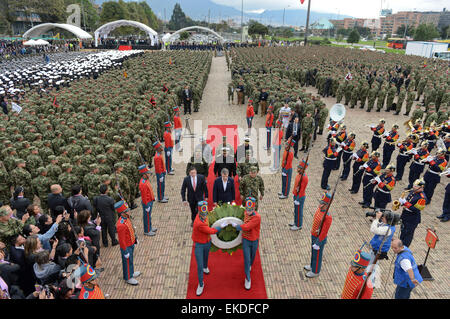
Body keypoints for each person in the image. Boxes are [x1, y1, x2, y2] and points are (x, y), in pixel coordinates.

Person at [191, 201, 225, 296]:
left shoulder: (204, 216)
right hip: (199, 245)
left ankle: (205, 267)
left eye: (206, 214)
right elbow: (211, 230)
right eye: (204, 214)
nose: (205, 216)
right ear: (199, 213)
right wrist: (220, 227)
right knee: (199, 265)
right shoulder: (199, 223)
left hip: (207, 242)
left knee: (206, 258)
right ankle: (201, 284)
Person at [231, 197, 261, 290]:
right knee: (247, 259)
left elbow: (247, 227)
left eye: (250, 210)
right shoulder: (245, 213)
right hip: (246, 240)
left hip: (254, 240)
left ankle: (249, 267)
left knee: (252, 258)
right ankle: (248, 278)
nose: (248, 211)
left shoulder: (257, 217)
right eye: (247, 209)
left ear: (254, 209)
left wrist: (237, 226)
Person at [304, 192, 333, 278]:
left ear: (327, 205)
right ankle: (312, 266)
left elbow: (324, 231)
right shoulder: (320, 209)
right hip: (314, 234)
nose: (320, 205)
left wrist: (318, 242)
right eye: (321, 203)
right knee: (313, 253)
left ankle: (316, 270)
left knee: (317, 255)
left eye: (323, 204)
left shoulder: (327, 217)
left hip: (319, 238)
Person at [115, 200, 140, 286]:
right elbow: (121, 240)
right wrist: (125, 251)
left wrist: (134, 239)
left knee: (131, 260)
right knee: (127, 261)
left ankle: (131, 273)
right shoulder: (121, 225)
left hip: (131, 243)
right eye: (126, 211)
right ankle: (128, 277)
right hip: (126, 246)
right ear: (122, 213)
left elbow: (131, 229)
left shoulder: (127, 218)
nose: (128, 211)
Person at [398, 179, 426, 247]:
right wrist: (402, 202)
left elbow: (416, 209)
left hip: (412, 218)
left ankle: (404, 247)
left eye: (416, 186)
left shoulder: (422, 198)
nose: (414, 187)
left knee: (408, 234)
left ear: (421, 188)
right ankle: (401, 244)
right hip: (405, 215)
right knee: (403, 231)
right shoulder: (413, 192)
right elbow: (408, 200)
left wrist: (405, 203)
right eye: (414, 185)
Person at [138, 165, 156, 236]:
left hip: (150, 200)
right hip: (147, 202)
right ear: (144, 174)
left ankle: (150, 227)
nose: (149, 174)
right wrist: (146, 205)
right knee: (146, 216)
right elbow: (144, 196)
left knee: (149, 215)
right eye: (148, 173)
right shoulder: (143, 184)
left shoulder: (146, 180)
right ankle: (147, 230)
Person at [291, 160, 308, 231]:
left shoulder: (304, 178)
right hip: (296, 194)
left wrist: (298, 199)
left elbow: (302, 190)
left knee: (299, 211)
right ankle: (295, 222)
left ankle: (298, 225)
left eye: (299, 168)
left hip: (300, 197)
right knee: (296, 210)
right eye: (298, 167)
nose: (297, 169)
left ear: (303, 169)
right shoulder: (299, 175)